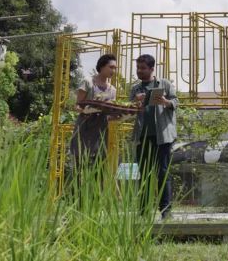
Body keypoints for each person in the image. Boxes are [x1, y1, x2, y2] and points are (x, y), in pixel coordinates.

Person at [129, 54, 178, 220]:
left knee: (163, 173)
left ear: (151, 68)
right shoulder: (135, 89)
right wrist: (135, 103)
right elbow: (130, 111)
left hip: (162, 137)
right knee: (144, 174)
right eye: (138, 68)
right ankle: (143, 212)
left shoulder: (164, 84)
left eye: (143, 68)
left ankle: (166, 211)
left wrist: (165, 102)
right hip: (142, 136)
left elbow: (176, 102)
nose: (139, 71)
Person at [69, 53, 118, 183]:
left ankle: (95, 200)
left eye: (115, 68)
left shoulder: (112, 89)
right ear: (101, 66)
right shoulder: (88, 82)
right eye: (111, 67)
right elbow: (78, 105)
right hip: (84, 128)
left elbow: (110, 112)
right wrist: (87, 110)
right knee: (79, 167)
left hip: (101, 130)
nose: (113, 71)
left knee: (99, 167)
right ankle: (77, 200)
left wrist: (117, 115)